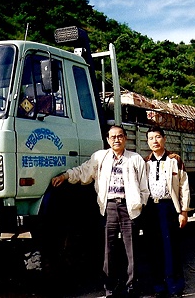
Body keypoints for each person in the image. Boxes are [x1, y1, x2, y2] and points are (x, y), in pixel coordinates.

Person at [51, 125, 149, 297]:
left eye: (120, 136)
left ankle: (132, 287)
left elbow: (144, 187)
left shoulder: (135, 159)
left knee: (131, 250)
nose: (116, 140)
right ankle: (110, 288)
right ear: (107, 140)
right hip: (109, 208)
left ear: (125, 138)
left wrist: (138, 205)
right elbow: (83, 172)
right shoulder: (100, 157)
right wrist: (64, 176)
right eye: (113, 137)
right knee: (108, 250)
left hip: (129, 209)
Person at [143, 125, 190, 297]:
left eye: (157, 137)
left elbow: (184, 187)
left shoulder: (174, 159)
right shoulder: (145, 162)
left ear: (164, 138)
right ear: (147, 142)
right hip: (150, 209)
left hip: (168, 207)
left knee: (171, 248)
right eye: (150, 138)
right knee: (153, 248)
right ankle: (158, 287)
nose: (154, 141)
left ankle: (175, 287)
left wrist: (183, 212)